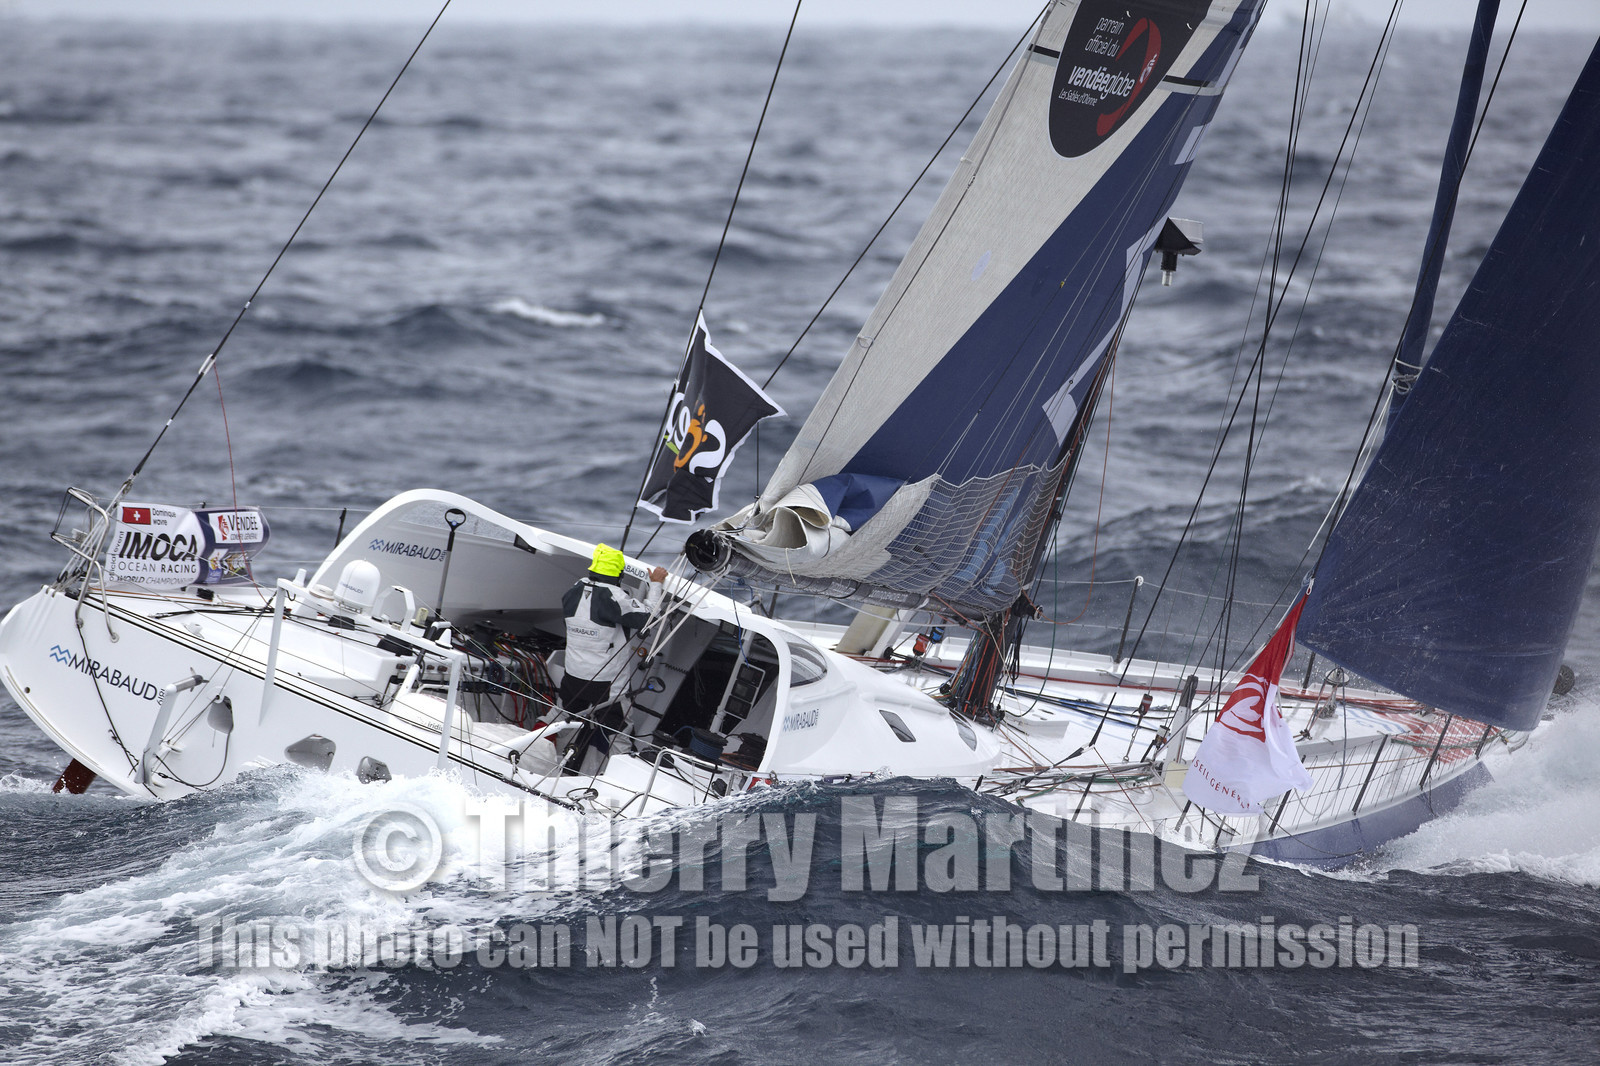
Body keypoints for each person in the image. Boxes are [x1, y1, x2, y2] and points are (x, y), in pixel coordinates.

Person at [559, 544, 666, 769]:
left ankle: (555, 760)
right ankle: (622, 773)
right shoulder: (615, 596)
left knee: (567, 720)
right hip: (606, 686)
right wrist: (656, 584)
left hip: (572, 676)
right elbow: (650, 617)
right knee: (618, 730)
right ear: (618, 574)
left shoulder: (573, 590)